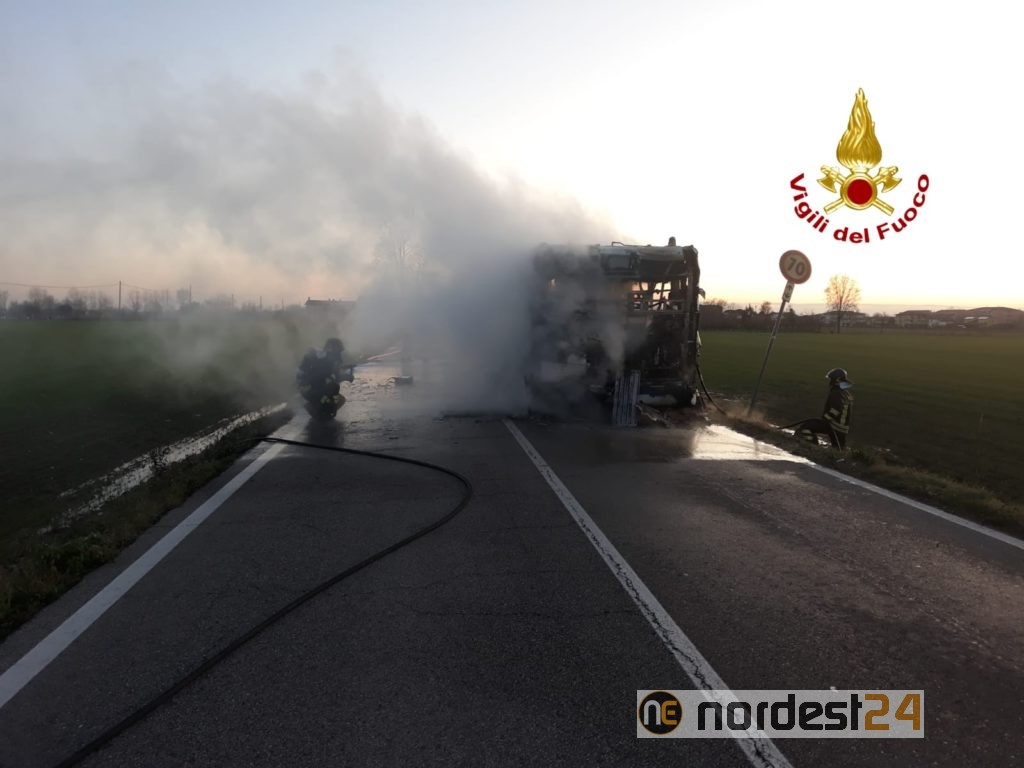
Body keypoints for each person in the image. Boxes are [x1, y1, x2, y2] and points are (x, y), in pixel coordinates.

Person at [796, 367, 853, 449]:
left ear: (836, 380)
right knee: (838, 448)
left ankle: (812, 446)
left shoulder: (836, 393)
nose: (830, 382)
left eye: (831, 379)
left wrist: (825, 419)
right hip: (842, 429)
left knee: (804, 428)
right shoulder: (846, 394)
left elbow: (836, 409)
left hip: (833, 426)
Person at [296, 338, 355, 412]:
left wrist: (345, 376)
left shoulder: (324, 358)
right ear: (331, 349)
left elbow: (332, 374)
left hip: (311, 389)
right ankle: (317, 407)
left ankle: (320, 408)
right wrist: (345, 376)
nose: (339, 356)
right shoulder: (322, 360)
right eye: (338, 352)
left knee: (337, 398)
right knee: (333, 390)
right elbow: (328, 376)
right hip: (310, 390)